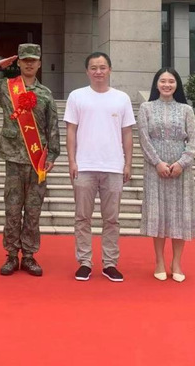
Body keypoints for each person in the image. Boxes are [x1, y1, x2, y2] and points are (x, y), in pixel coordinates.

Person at [0, 43, 60, 277]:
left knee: (33, 211)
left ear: (40, 63)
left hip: (37, 160)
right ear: (19, 62)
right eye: (25, 60)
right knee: (12, 209)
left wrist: (52, 154)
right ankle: (12, 255)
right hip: (13, 158)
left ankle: (30, 255)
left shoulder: (45, 94)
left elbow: (52, 126)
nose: (29, 64)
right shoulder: (6, 87)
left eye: (33, 60)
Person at [63, 51, 135, 282]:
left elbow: (127, 133)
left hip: (113, 166)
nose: (98, 72)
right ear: (87, 71)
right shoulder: (77, 96)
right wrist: (72, 161)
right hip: (84, 166)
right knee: (82, 217)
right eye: (94, 68)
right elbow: (71, 130)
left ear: (110, 70)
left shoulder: (121, 98)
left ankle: (110, 263)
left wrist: (128, 163)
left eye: (102, 67)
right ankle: (84, 262)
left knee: (111, 219)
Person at [138, 68, 195, 283]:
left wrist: (181, 163)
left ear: (177, 84)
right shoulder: (146, 108)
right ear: (156, 84)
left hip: (180, 170)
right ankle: (159, 261)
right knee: (158, 213)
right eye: (162, 81)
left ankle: (177, 262)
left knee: (179, 214)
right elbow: (143, 139)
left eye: (171, 81)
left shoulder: (186, 110)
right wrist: (157, 163)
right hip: (154, 169)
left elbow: (193, 140)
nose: (166, 85)